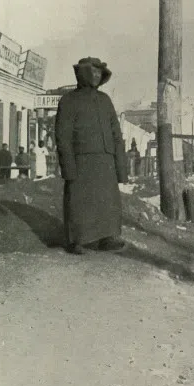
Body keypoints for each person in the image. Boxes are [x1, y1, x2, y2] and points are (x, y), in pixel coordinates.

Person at [54, 56, 128, 255]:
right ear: (82, 73)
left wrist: (121, 166)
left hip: (106, 161)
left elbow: (116, 134)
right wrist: (68, 166)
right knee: (79, 202)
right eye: (92, 72)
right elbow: (63, 136)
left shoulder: (105, 100)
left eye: (99, 73)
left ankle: (108, 237)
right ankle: (77, 240)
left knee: (108, 201)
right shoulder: (69, 100)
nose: (96, 76)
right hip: (81, 161)